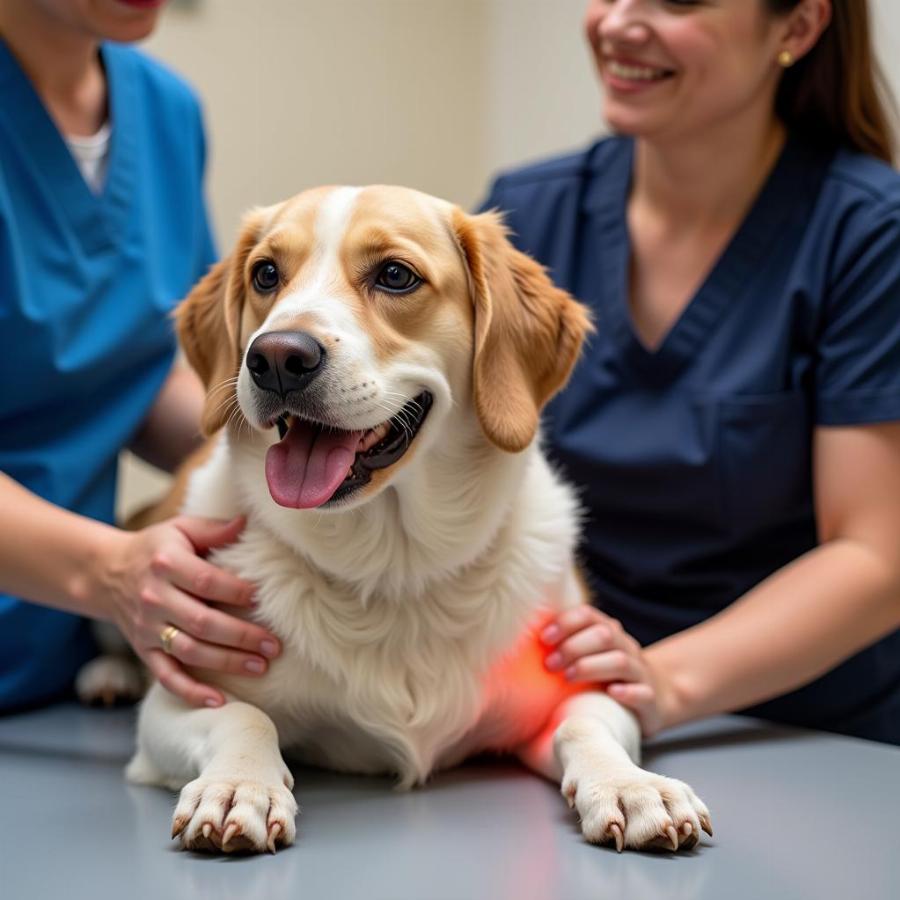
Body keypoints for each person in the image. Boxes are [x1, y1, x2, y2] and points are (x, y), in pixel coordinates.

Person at [484, 0, 900, 744]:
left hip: (799, 732)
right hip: (554, 716)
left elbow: (876, 557)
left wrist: (658, 681)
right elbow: (411, 448)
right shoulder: (526, 216)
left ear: (798, 28)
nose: (617, 23)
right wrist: (215, 554)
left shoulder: (868, 234)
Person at [0, 0, 282, 713]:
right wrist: (110, 568)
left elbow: (129, 372)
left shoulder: (165, 112)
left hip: (63, 669)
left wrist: (286, 443)